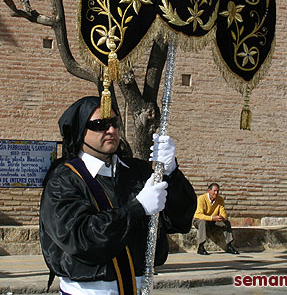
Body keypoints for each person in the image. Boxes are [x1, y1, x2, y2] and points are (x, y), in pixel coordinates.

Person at [40, 96, 197, 295]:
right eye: (100, 125)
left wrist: (171, 172)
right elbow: (80, 237)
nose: (111, 131)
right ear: (81, 129)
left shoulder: (138, 172)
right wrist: (137, 208)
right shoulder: (63, 180)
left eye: (115, 123)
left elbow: (179, 220)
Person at [193, 182, 239, 255]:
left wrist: (222, 217)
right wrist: (212, 218)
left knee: (226, 222)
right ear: (209, 191)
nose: (216, 193)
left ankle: (229, 246)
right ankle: (201, 247)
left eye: (217, 191)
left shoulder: (220, 199)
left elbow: (223, 212)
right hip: (200, 220)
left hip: (213, 221)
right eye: (214, 191)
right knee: (202, 222)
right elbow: (199, 215)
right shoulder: (201, 198)